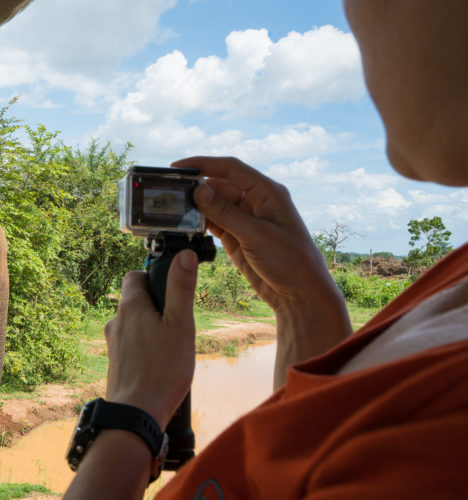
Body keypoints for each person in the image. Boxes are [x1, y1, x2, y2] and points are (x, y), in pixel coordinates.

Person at [64, 1, 468, 498]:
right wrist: (303, 305)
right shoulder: (456, 278)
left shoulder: (448, 435)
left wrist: (134, 411)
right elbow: (298, 457)